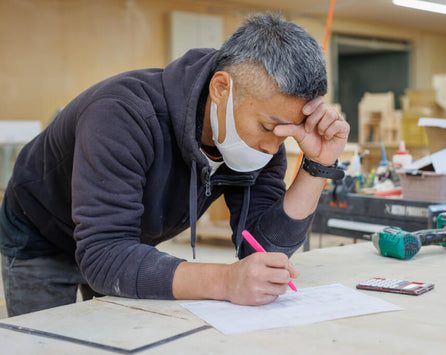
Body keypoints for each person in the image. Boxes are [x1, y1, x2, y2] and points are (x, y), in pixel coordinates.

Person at [0, 13, 349, 317]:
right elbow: (104, 256)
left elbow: (263, 251)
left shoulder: (261, 140)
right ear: (221, 88)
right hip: (41, 233)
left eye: (285, 134)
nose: (273, 146)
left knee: (126, 336)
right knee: (49, 342)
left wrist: (317, 165)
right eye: (268, 127)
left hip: (125, 239)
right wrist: (225, 280)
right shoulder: (121, 113)